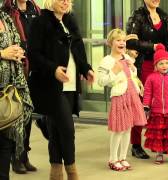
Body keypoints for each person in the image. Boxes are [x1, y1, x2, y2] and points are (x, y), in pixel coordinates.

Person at [27, 0, 94, 179]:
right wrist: (53, 69)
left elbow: (78, 50)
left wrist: (86, 68)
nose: (65, 2)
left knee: (56, 128)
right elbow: (33, 54)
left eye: (68, 0)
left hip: (71, 84)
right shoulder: (40, 22)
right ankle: (72, 170)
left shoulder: (70, 21)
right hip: (50, 85)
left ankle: (55, 169)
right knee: (67, 128)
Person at [126, 0, 168, 159]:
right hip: (144, 66)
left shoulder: (164, 16)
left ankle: (155, 142)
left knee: (160, 106)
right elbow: (131, 41)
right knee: (142, 105)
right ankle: (136, 145)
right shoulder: (138, 15)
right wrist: (153, 47)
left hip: (162, 67)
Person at [97, 29, 147, 171]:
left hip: (131, 94)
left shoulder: (127, 57)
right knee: (118, 129)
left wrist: (133, 68)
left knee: (127, 129)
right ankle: (113, 159)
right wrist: (114, 71)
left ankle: (123, 158)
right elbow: (101, 81)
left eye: (124, 41)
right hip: (120, 96)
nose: (122, 43)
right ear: (110, 42)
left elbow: (131, 75)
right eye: (118, 40)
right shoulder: (107, 61)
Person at [2, 0, 40, 173]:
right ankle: (15, 157)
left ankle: (21, 154)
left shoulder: (35, 10)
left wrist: (17, 51)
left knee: (22, 114)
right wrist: (4, 53)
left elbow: (18, 39)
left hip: (20, 72)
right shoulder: (9, 10)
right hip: (10, 75)